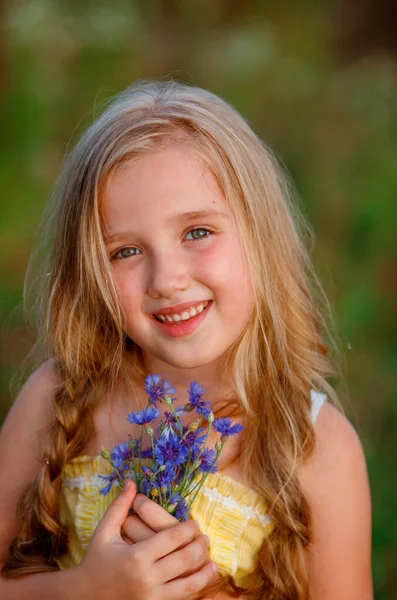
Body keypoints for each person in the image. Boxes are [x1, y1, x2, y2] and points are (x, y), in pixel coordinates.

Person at [0, 80, 373, 600]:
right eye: (124, 251)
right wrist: (84, 589)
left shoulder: (320, 446)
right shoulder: (56, 398)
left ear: (259, 236)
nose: (166, 279)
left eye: (197, 232)